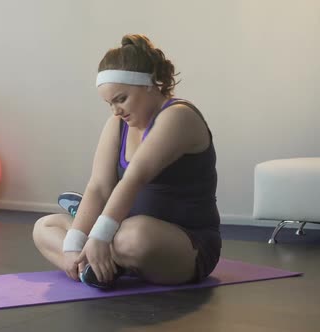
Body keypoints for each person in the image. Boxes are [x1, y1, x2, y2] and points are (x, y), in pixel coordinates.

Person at [32, 34, 221, 289]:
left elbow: (134, 179)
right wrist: (72, 247)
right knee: (44, 227)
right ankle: (95, 263)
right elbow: (99, 186)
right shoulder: (117, 124)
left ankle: (100, 249)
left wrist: (99, 236)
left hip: (186, 245)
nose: (115, 110)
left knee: (132, 237)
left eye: (121, 99)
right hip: (120, 228)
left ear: (150, 84)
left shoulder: (178, 117)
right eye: (109, 103)